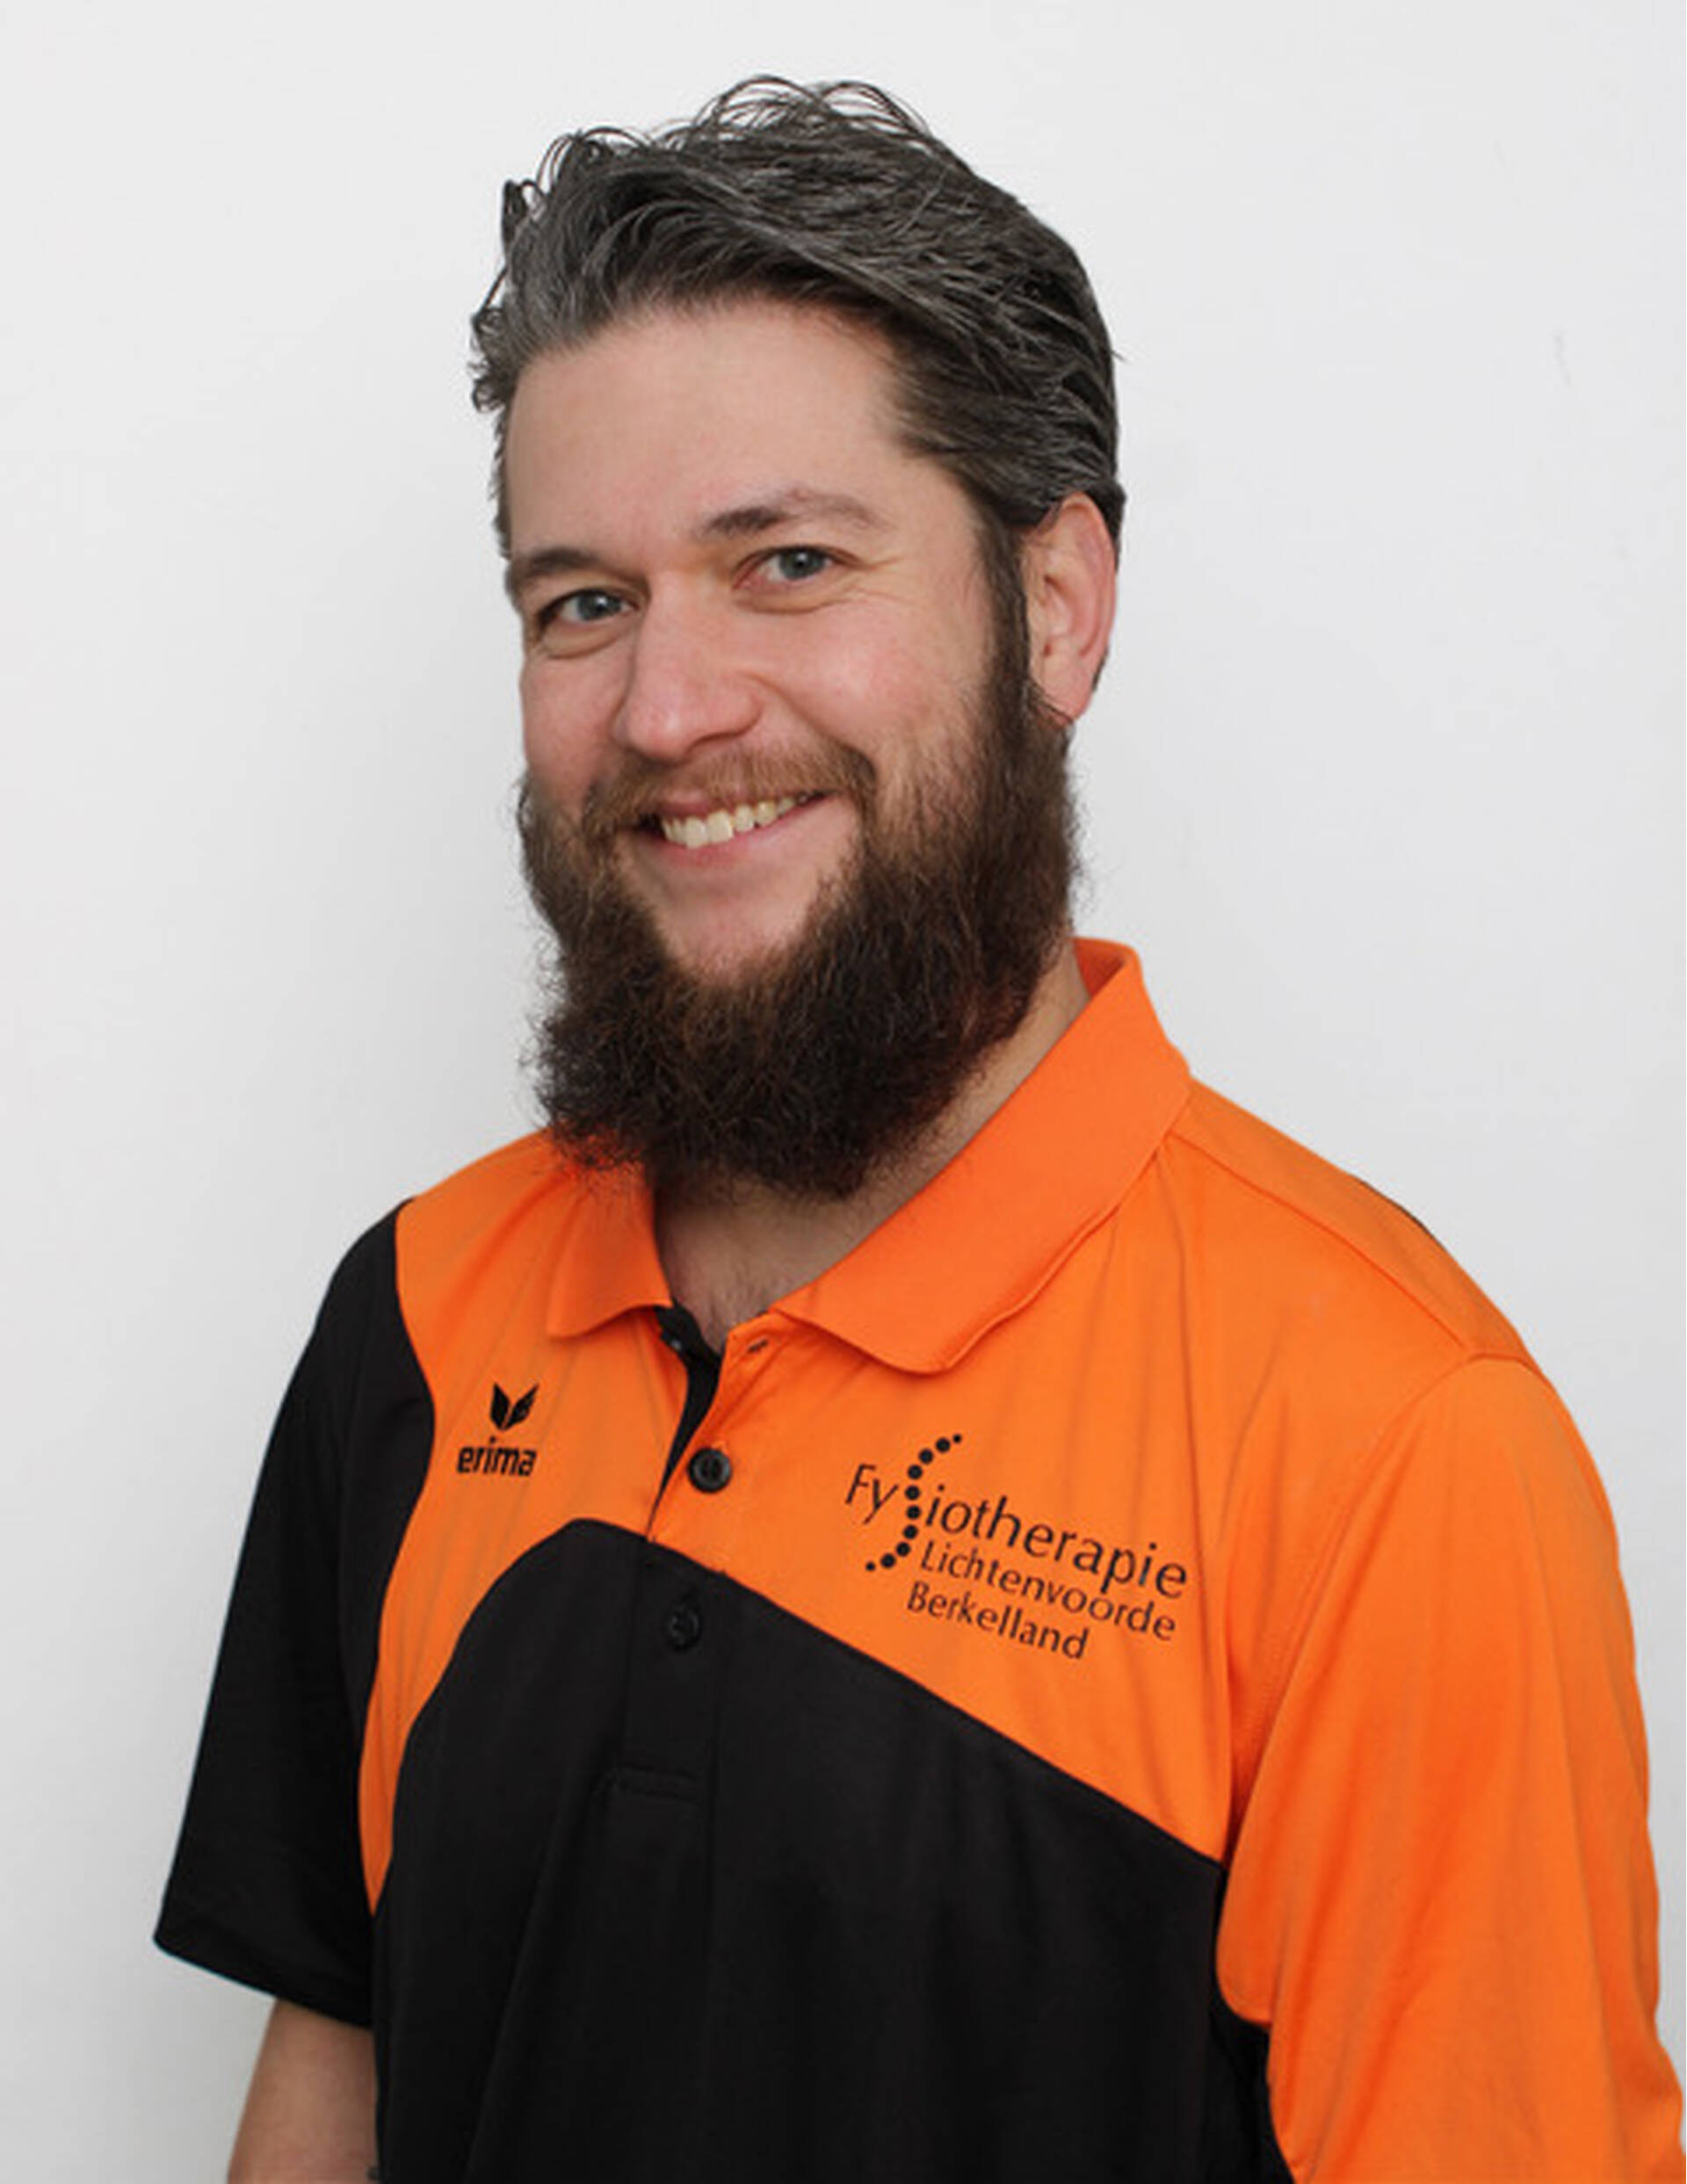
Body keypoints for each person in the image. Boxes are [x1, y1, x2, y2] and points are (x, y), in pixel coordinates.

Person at [156, 79, 1683, 2183]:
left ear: (1056, 606)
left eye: (786, 562)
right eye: (582, 602)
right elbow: (337, 2062)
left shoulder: (1390, 1449)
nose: (668, 709)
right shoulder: (417, 1314)